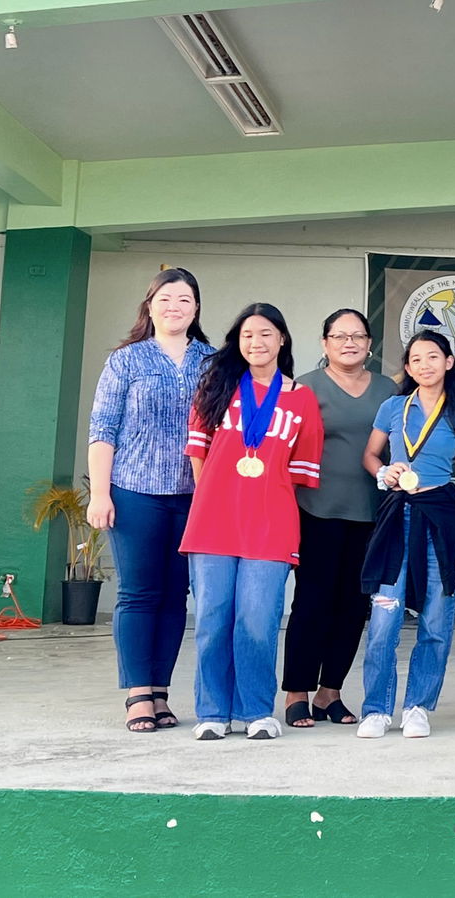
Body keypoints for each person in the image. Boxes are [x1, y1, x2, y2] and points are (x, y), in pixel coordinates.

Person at [181, 303, 324, 741]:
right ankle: (212, 710)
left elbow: (299, 476)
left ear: (282, 339)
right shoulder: (217, 386)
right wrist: (216, 499)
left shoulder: (301, 399)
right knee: (212, 618)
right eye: (246, 335)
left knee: (258, 621)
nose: (255, 343)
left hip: (270, 525)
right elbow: (199, 457)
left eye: (265, 334)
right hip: (213, 523)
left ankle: (257, 710)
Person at [86, 268, 214, 733]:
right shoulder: (126, 361)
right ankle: (138, 693)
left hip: (193, 496)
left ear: (196, 308)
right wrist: (100, 493)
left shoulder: (213, 361)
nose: (174, 306)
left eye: (184, 299)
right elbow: (103, 430)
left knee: (176, 596)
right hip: (134, 491)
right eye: (166, 298)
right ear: (150, 306)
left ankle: (161, 690)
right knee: (138, 593)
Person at [354, 330, 455, 739]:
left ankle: (417, 706)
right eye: (416, 359)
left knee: (436, 618)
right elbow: (370, 453)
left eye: (433, 356)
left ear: (449, 362)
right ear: (408, 367)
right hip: (398, 515)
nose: (425, 364)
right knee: (384, 619)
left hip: (443, 518)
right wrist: (383, 471)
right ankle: (376, 708)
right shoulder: (394, 407)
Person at [281, 309, 396, 728]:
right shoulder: (303, 388)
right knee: (311, 601)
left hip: (371, 512)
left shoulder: (388, 388)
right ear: (325, 342)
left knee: (353, 605)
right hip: (315, 510)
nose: (349, 342)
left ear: (369, 343)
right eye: (339, 335)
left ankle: (330, 692)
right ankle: (297, 691)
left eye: (358, 335)